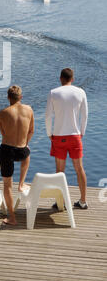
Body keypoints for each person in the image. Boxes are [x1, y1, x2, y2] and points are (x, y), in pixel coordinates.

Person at [46, 68, 88, 209]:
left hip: (58, 136)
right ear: (73, 79)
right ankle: (83, 201)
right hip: (75, 136)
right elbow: (85, 115)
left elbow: (47, 116)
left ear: (60, 78)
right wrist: (81, 132)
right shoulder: (81, 92)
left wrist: (49, 133)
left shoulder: (53, 93)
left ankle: (61, 202)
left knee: (60, 171)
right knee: (79, 168)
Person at [0, 85, 34, 225]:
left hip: (7, 150)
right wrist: (24, 143)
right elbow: (31, 131)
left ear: (8, 98)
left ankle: (12, 217)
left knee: (7, 185)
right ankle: (21, 183)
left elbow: (3, 133)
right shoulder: (29, 109)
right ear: (21, 97)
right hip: (22, 149)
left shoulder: (2, 113)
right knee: (27, 154)